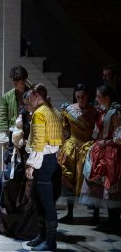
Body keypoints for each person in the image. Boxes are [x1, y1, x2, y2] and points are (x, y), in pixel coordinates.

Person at [24, 83, 63, 251]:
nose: (28, 103)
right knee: (38, 198)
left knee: (46, 202)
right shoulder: (53, 110)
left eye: (30, 98)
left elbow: (39, 143)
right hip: (53, 160)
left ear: (37, 96)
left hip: (44, 161)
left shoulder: (40, 114)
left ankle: (50, 241)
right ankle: (42, 236)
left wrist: (31, 165)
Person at [0, 90, 38, 240]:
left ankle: (24, 228)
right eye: (25, 104)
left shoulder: (40, 116)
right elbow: (16, 139)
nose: (27, 106)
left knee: (26, 191)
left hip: (33, 159)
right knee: (3, 184)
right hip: (19, 158)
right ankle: (5, 225)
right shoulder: (22, 117)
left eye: (29, 103)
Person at [0, 65, 30, 235]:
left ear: (24, 80)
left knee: (26, 187)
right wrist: (5, 142)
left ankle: (25, 224)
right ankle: (4, 224)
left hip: (30, 142)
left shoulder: (34, 94)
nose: (18, 85)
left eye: (20, 82)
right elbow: (2, 117)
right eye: (15, 82)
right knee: (6, 183)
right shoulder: (8, 97)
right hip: (12, 140)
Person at [79, 84, 121, 231]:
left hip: (111, 152)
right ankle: (102, 217)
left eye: (98, 96)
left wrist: (106, 142)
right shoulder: (103, 112)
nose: (96, 99)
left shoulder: (115, 113)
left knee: (111, 186)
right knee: (98, 185)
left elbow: (119, 136)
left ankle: (114, 221)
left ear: (106, 98)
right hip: (101, 150)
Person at [57, 83, 98, 224]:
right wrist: (61, 147)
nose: (80, 99)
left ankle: (96, 214)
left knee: (91, 179)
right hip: (71, 148)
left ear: (88, 96)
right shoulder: (69, 110)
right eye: (78, 96)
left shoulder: (94, 111)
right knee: (69, 178)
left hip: (88, 147)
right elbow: (65, 130)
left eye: (83, 96)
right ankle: (70, 213)